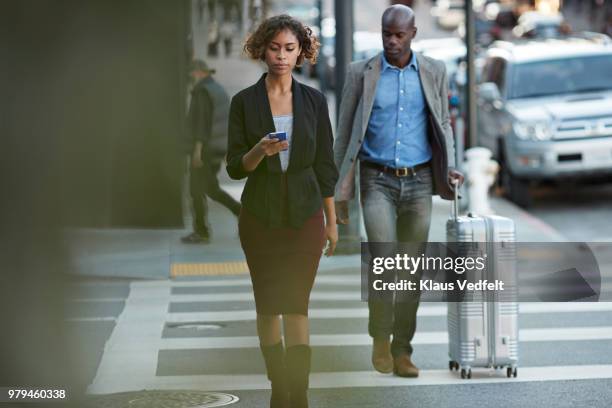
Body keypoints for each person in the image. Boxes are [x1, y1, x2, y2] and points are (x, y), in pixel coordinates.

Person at [333, 5, 464, 378]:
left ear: (413, 34)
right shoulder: (362, 73)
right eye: (386, 34)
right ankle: (379, 338)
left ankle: (402, 348)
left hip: (420, 180)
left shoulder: (434, 71)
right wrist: (337, 189)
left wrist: (452, 165)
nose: (391, 41)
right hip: (376, 180)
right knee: (383, 261)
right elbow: (344, 131)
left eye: (399, 35)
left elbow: (443, 123)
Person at [226, 15, 338, 408]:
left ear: (301, 52)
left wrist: (331, 220)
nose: (281, 56)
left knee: (296, 304)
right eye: (275, 48)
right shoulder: (243, 103)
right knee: (268, 303)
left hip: (306, 213)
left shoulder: (314, 100)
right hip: (260, 215)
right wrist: (260, 150)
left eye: (290, 49)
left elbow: (326, 163)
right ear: (262, 49)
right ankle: (279, 388)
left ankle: (299, 393)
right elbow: (234, 167)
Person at [182, 59, 241, 244]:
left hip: (204, 151)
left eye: (192, 74)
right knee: (210, 188)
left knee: (196, 190)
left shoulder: (202, 92)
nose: (191, 78)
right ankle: (242, 213)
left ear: (199, 72)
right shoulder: (217, 90)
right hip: (215, 149)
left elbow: (202, 123)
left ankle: (201, 231)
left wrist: (197, 151)